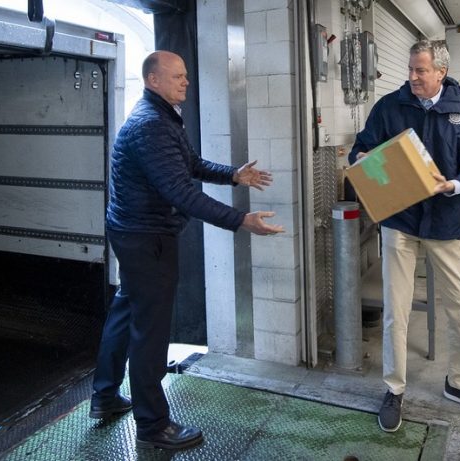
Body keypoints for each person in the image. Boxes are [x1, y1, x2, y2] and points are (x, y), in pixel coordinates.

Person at [90, 50, 284, 450]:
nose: (186, 82)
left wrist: (232, 175)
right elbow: (181, 192)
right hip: (147, 238)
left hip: (134, 233)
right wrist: (240, 220)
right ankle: (152, 424)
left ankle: (105, 395)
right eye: (177, 76)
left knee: (128, 312)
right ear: (152, 81)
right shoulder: (151, 126)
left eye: (186, 76)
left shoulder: (162, 118)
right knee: (151, 331)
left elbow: (189, 164)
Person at [348, 40, 460, 433]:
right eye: (411, 69)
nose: (412, 77)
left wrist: (453, 185)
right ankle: (394, 388)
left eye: (420, 71)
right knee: (396, 310)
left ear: (440, 73)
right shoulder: (390, 107)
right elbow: (361, 150)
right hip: (400, 221)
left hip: (446, 222)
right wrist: (362, 161)